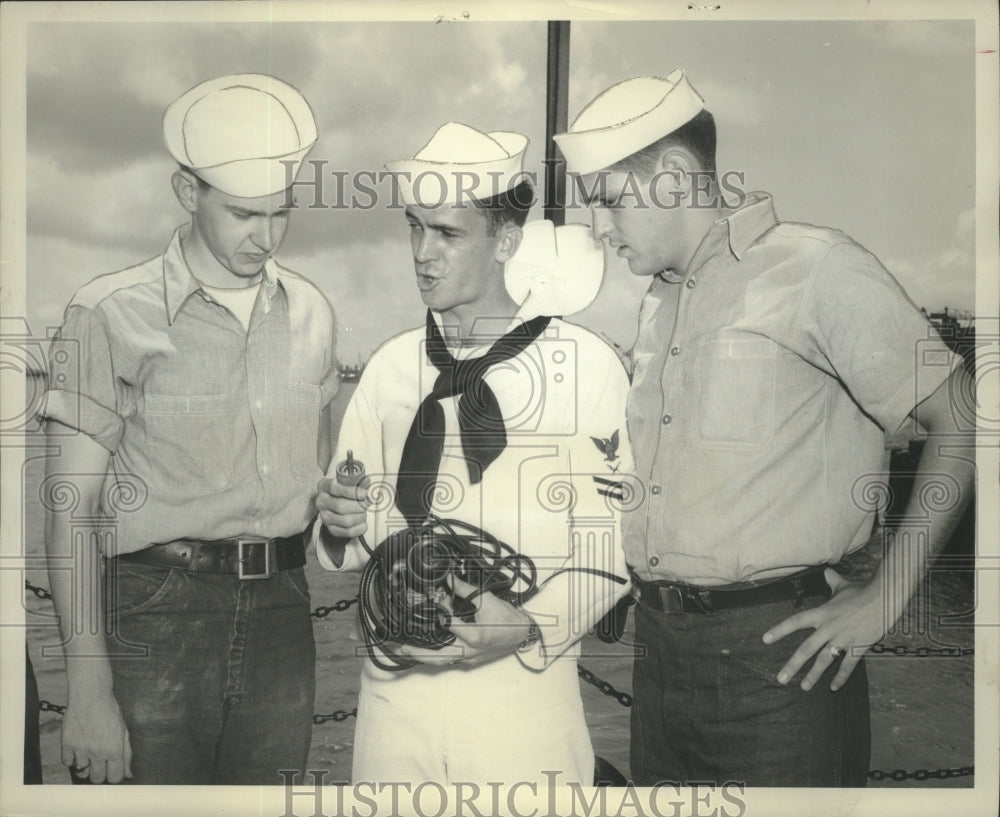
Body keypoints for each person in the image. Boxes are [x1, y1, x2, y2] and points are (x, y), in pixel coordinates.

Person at [554, 70, 976, 787]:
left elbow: (961, 415)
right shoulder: (659, 307)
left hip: (779, 666)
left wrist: (886, 595)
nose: (597, 228)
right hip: (659, 661)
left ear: (677, 176)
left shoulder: (817, 269)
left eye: (609, 202)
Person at [313, 122, 632, 786]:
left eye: (449, 233)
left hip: (523, 701)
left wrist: (523, 627)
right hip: (394, 703)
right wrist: (336, 523)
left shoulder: (586, 368)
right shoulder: (386, 371)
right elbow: (342, 542)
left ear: (506, 241)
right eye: (415, 227)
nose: (422, 254)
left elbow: (609, 553)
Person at [40, 74, 337, 785]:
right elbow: (71, 510)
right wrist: (87, 691)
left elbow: (322, 494)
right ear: (186, 192)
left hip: (283, 615)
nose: (264, 238)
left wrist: (345, 514)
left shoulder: (313, 312)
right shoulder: (106, 313)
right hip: (153, 614)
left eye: (280, 214)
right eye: (242, 214)